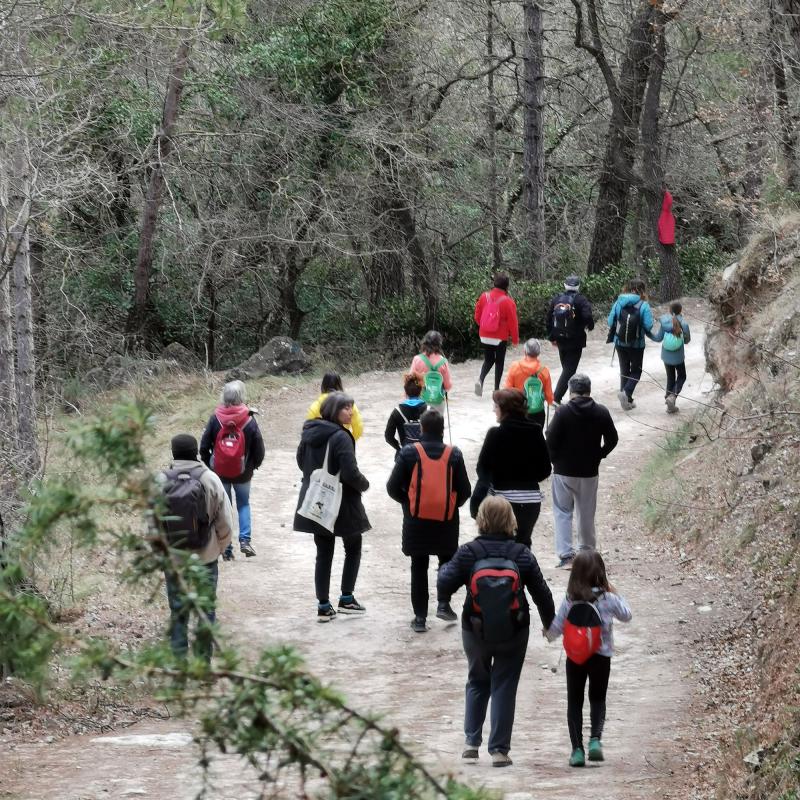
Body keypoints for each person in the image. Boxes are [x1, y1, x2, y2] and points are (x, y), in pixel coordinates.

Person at [437, 496, 555, 767]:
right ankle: (499, 750)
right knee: (504, 684)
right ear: (510, 521)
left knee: (477, 680)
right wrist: (550, 624)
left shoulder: (469, 552)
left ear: (481, 519)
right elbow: (542, 593)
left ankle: (470, 743)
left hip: (475, 628)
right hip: (514, 630)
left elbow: (444, 582)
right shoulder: (521, 554)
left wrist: (446, 570)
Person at [386, 410, 471, 632]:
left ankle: (420, 619)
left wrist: (409, 504)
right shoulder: (454, 454)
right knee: (446, 563)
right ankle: (443, 604)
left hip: (416, 521)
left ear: (421, 429)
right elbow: (465, 491)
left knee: (419, 566)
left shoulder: (409, 453)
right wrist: (450, 506)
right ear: (443, 430)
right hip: (446, 520)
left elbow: (392, 487)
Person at [545, 551, 632, 767]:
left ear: (574, 575)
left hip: (575, 658)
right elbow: (627, 615)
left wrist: (547, 634)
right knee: (597, 698)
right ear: (601, 573)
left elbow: (556, 628)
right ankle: (595, 740)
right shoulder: (608, 598)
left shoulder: (570, 600)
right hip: (601, 657)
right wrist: (615, 592)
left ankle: (577, 751)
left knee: (575, 701)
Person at [156, 434, 234, 662]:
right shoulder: (210, 478)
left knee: (178, 612)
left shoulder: (160, 481)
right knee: (206, 611)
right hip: (206, 556)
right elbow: (226, 521)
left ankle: (180, 665)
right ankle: (203, 664)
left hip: (174, 558)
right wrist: (220, 546)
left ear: (173, 453)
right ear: (196, 452)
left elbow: (152, 523)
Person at [294, 392, 370, 622]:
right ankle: (346, 598)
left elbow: (300, 462)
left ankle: (323, 606)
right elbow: (349, 473)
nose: (350, 412)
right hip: (343, 501)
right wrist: (364, 484)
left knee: (323, 552)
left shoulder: (309, 433)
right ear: (334, 411)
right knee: (353, 545)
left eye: (351, 408)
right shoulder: (341, 436)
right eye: (346, 408)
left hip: (316, 498)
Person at [546, 374, 618, 569]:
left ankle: (566, 556)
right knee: (586, 513)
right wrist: (599, 455)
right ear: (589, 390)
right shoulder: (601, 412)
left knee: (562, 511)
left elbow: (550, 439)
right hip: (589, 472)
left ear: (570, 391)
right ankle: (586, 553)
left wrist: (554, 460)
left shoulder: (562, 412)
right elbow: (613, 439)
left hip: (564, 471)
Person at [476, 389, 551, 548]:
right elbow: (545, 469)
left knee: (500, 546)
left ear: (504, 409)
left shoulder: (495, 434)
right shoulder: (536, 431)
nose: (493, 410)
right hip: (530, 500)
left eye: (496, 406)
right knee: (523, 545)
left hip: (501, 501)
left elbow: (482, 469)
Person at [200, 380, 265, 559]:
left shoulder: (216, 418)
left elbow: (203, 447)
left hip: (220, 472)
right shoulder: (249, 419)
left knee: (224, 509)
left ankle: (227, 549)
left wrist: (211, 466)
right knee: (243, 504)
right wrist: (253, 466)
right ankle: (245, 540)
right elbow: (259, 449)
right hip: (244, 473)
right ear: (241, 396)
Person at [607, 277, 656, 410]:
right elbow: (648, 325)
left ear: (628, 288)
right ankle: (626, 393)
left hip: (620, 342)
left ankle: (626, 400)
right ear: (641, 290)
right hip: (636, 344)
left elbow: (610, 322)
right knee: (636, 372)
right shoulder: (644, 305)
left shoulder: (619, 302)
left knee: (624, 370)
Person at [546, 275, 594, 405]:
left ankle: (570, 395)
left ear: (565, 285)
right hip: (575, 339)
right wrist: (589, 326)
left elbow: (549, 318)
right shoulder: (581, 300)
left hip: (560, 339)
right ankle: (556, 398)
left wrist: (551, 337)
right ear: (578, 286)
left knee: (567, 368)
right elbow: (587, 316)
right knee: (569, 370)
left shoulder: (557, 299)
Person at [473, 273, 520, 396]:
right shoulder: (508, 302)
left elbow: (477, 316)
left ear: (494, 283)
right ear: (507, 286)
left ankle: (480, 380)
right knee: (499, 362)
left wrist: (484, 326)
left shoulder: (484, 296)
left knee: (488, 360)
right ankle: (496, 389)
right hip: (500, 337)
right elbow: (513, 323)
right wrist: (515, 339)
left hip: (484, 335)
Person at [504, 338, 554, 428]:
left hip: (518, 410)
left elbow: (507, 390)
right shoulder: (544, 370)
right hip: (537, 411)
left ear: (525, 351)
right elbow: (549, 397)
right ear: (538, 353)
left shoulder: (515, 366)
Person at [652, 301, 691, 414]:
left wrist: (648, 333)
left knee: (670, 377)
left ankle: (670, 403)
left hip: (666, 355)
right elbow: (687, 340)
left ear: (669, 310)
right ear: (681, 310)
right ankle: (672, 397)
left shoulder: (664, 322)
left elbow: (658, 338)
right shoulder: (683, 323)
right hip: (678, 356)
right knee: (682, 376)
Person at [307, 372, 364, 441]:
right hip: (341, 442)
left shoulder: (315, 405)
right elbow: (358, 427)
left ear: (323, 386)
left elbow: (308, 429)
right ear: (340, 385)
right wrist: (349, 441)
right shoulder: (348, 405)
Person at [384, 372, 428, 452]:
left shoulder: (397, 411)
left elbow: (388, 437)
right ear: (421, 390)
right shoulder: (429, 410)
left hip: (405, 455)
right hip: (425, 455)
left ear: (405, 391)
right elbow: (438, 435)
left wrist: (399, 449)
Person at [410, 331, 453, 411]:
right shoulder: (443, 362)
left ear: (425, 343)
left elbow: (409, 383)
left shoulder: (417, 359)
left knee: (422, 423)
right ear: (439, 344)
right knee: (437, 423)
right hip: (438, 402)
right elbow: (448, 386)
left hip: (421, 402)